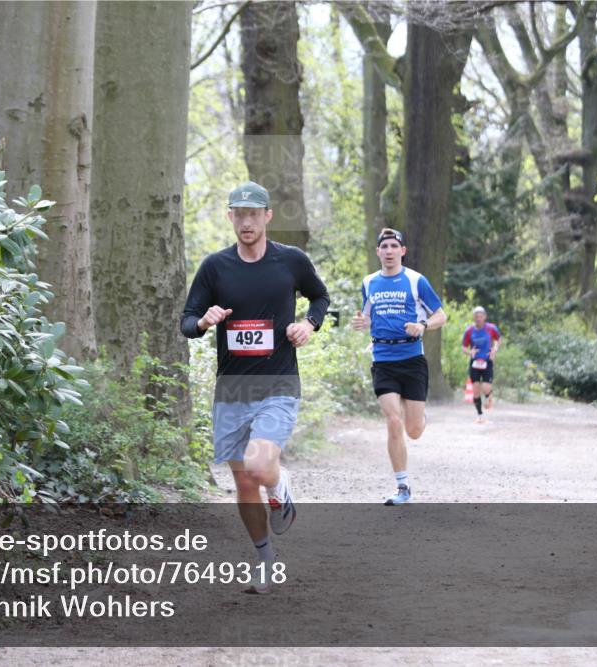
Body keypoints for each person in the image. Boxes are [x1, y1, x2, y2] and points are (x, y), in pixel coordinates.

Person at [180, 181, 329, 593]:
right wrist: (205, 322)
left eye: (253, 214)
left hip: (278, 383)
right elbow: (187, 321)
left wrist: (308, 325)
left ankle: (281, 488)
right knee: (244, 483)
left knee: (261, 467)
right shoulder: (215, 267)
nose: (246, 222)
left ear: (267, 217)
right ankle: (265, 561)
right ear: (229, 217)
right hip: (231, 390)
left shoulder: (291, 262)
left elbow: (320, 298)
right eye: (238, 214)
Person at [351, 228, 447, 505]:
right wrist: (362, 323)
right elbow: (368, 316)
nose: (389, 251)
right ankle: (402, 487)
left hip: (412, 359)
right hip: (383, 359)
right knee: (393, 421)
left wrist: (423, 325)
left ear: (402, 251)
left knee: (413, 430)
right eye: (385, 246)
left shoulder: (416, 280)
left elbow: (441, 314)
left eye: (395, 246)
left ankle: (419, 417)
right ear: (378, 252)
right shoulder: (369, 282)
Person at [462, 306, 501, 424]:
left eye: (480, 316)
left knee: (485, 387)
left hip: (487, 361)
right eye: (476, 316)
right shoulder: (469, 331)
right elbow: (463, 347)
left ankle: (489, 396)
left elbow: (498, 339)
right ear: (474, 318)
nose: (478, 318)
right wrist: (470, 352)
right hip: (474, 363)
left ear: (485, 317)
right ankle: (480, 415)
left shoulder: (491, 328)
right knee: (476, 390)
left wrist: (495, 349)